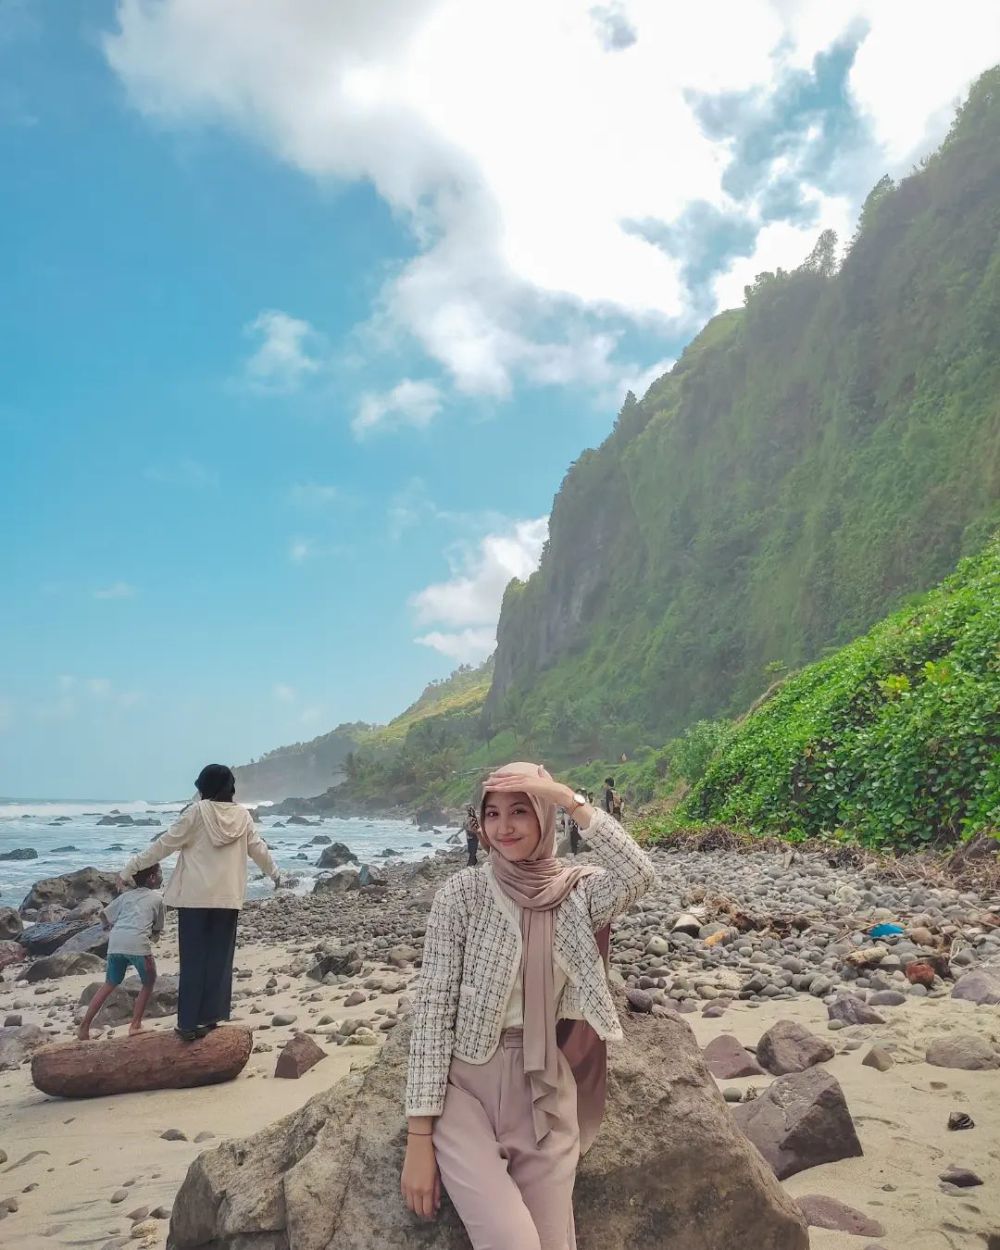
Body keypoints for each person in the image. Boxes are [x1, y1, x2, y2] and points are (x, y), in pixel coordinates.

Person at [401, 761, 656, 1248]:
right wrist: (418, 1139)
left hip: (544, 1090)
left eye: (520, 810)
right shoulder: (464, 893)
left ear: (544, 816)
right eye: (492, 814)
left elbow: (639, 873)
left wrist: (567, 798)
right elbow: (432, 1015)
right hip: (464, 1093)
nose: (504, 826)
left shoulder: (577, 893)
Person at [119, 764, 281, 1042]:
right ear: (230, 786)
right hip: (228, 898)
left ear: (204, 787)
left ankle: (188, 1024)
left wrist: (130, 868)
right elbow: (259, 850)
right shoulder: (243, 816)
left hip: (194, 899)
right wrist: (276, 874)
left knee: (194, 960)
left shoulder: (196, 812)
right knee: (219, 960)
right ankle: (210, 1018)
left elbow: (164, 845)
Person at [78, 864, 164, 1040]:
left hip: (116, 943)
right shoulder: (157, 898)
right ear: (152, 878)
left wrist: (106, 929)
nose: (162, 876)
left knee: (109, 983)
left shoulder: (126, 896)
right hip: (138, 944)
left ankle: (84, 1027)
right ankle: (135, 1025)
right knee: (149, 982)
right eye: (160, 873)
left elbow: (104, 915)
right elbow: (157, 927)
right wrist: (153, 936)